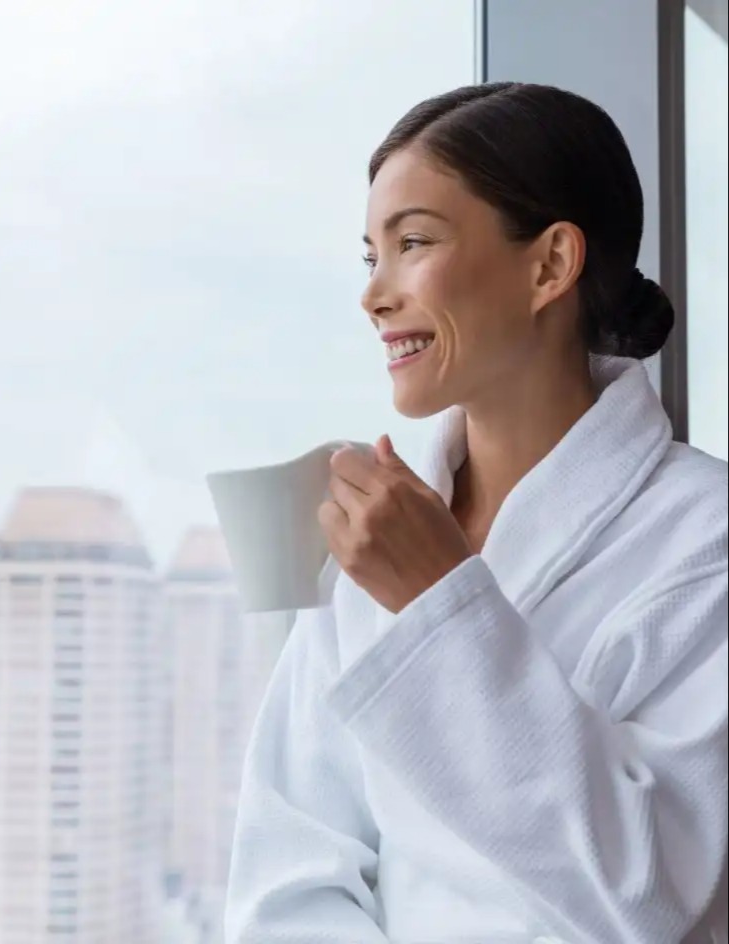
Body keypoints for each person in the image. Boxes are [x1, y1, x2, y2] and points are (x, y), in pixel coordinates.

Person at [224, 83, 728, 944]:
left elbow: (646, 891)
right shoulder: (372, 532)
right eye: (370, 256)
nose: (374, 295)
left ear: (549, 265)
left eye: (413, 242)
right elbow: (287, 876)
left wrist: (440, 602)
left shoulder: (705, 537)